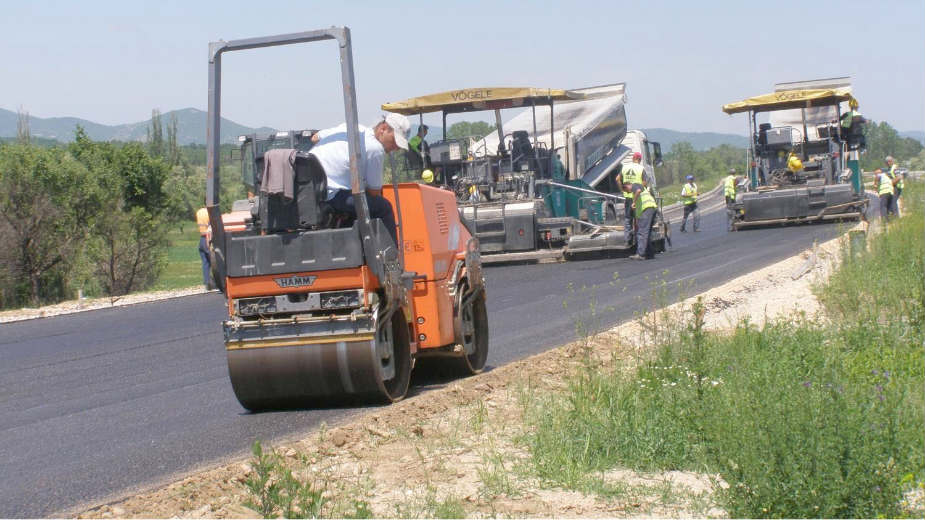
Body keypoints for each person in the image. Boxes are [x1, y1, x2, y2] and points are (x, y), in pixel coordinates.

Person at [309, 113, 411, 242]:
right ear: (383, 129)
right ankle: (391, 258)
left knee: (358, 202)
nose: (396, 148)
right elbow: (374, 191)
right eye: (395, 141)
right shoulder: (375, 148)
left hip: (310, 189)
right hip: (331, 194)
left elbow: (315, 138)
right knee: (383, 207)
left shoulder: (349, 128)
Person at [615, 152, 646, 244]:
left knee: (628, 219)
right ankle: (638, 239)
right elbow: (644, 182)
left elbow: (617, 179)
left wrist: (622, 190)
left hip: (628, 197)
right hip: (638, 197)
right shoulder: (641, 168)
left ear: (633, 158)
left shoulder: (625, 167)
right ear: (639, 160)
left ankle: (627, 240)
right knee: (638, 218)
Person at [626, 183, 658, 260]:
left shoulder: (635, 186)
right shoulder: (638, 195)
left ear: (627, 186)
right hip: (652, 209)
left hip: (647, 209)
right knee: (647, 232)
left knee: (642, 232)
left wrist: (633, 202)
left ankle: (641, 254)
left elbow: (638, 190)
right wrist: (637, 221)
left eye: (627, 191)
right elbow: (637, 211)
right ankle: (650, 253)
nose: (628, 192)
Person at [196, 207, 213, 290]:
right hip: (208, 239)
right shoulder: (210, 212)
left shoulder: (199, 212)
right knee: (214, 261)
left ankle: (207, 282)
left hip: (201, 240)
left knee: (205, 262)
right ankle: (221, 282)